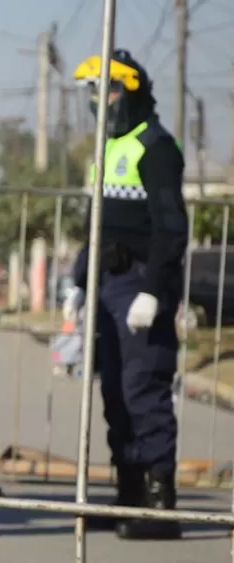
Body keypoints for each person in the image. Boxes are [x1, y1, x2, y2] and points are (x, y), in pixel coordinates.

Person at [64, 49, 187, 541]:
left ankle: (161, 507)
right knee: (114, 391)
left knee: (144, 390)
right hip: (107, 283)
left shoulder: (154, 146)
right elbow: (98, 226)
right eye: (94, 91)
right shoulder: (107, 147)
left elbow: (171, 228)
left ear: (131, 92)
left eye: (108, 90)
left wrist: (154, 292)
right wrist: (78, 281)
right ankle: (129, 496)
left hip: (140, 284)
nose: (100, 100)